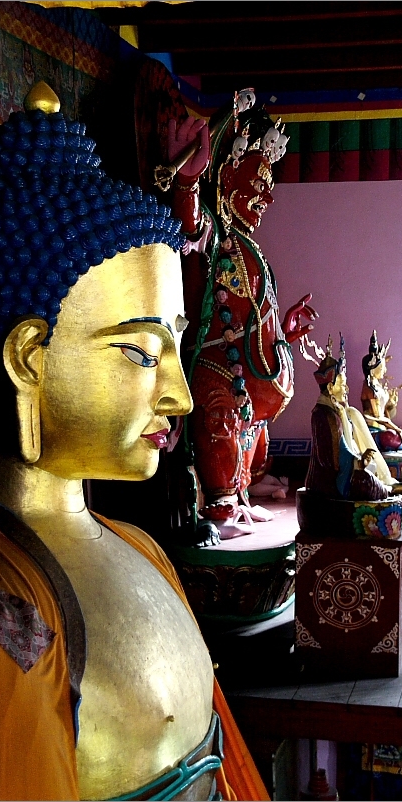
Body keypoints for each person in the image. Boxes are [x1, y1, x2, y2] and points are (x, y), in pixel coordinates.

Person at [0, 82, 268, 801]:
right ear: (28, 360)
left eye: (176, 347)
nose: (180, 393)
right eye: (142, 353)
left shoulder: (141, 548)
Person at [167, 91, 318, 536]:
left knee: (251, 426)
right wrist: (188, 183)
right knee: (221, 415)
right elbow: (188, 224)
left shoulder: (247, 246)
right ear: (228, 172)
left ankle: (240, 497)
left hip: (245, 376)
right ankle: (220, 507)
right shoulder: (213, 232)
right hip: (213, 366)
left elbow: (253, 313)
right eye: (260, 180)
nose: (267, 195)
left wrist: (282, 331)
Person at [306, 335, 402, 501]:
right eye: (342, 384)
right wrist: (358, 461)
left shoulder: (339, 411)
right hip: (328, 481)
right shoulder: (324, 414)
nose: (347, 388)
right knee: (365, 480)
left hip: (345, 468)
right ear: (330, 387)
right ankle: (385, 491)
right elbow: (331, 457)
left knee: (369, 472)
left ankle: (385, 487)